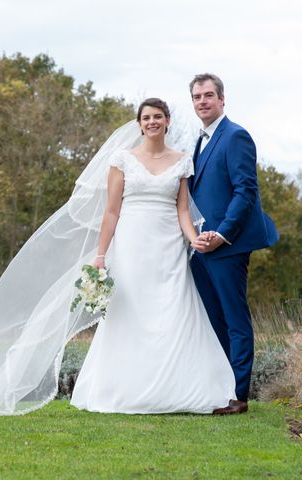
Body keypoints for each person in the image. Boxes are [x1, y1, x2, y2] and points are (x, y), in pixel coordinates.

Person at [0, 99, 235, 417]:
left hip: (170, 248)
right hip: (131, 246)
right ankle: (124, 390)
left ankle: (179, 390)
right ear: (139, 124)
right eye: (146, 118)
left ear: (167, 121)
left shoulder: (181, 161)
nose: (152, 122)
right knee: (130, 314)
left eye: (158, 117)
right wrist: (101, 255)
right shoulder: (123, 160)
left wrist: (194, 239)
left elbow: (183, 210)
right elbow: (111, 211)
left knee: (173, 311)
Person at [187, 74, 279, 415]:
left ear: (222, 100)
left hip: (228, 246)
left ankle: (238, 396)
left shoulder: (235, 136)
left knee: (234, 319)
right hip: (200, 248)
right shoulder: (199, 141)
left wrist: (222, 234)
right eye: (197, 97)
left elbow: (245, 191)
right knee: (213, 320)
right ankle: (219, 388)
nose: (202, 101)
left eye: (208, 95)